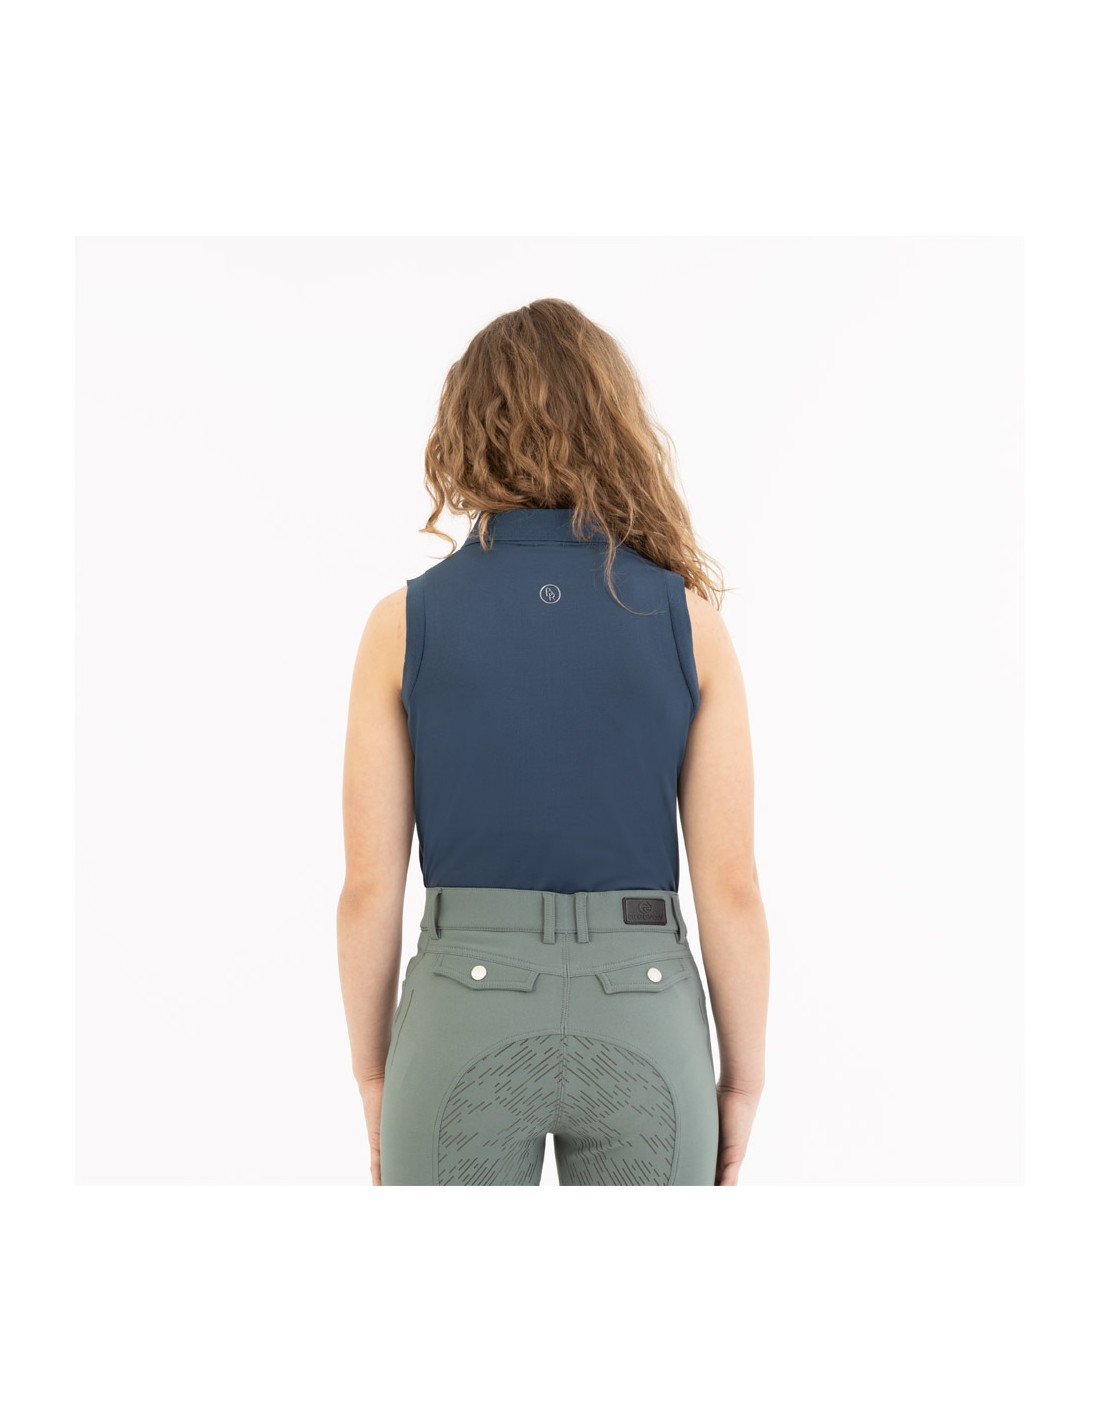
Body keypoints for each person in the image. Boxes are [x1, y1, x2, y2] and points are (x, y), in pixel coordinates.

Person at [337, 299, 770, 1186]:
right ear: (616, 426)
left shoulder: (403, 625)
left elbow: (369, 888)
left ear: (464, 431)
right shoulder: (689, 623)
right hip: (645, 1012)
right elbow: (730, 887)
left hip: (460, 1013)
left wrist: (375, 1073)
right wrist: (743, 1081)